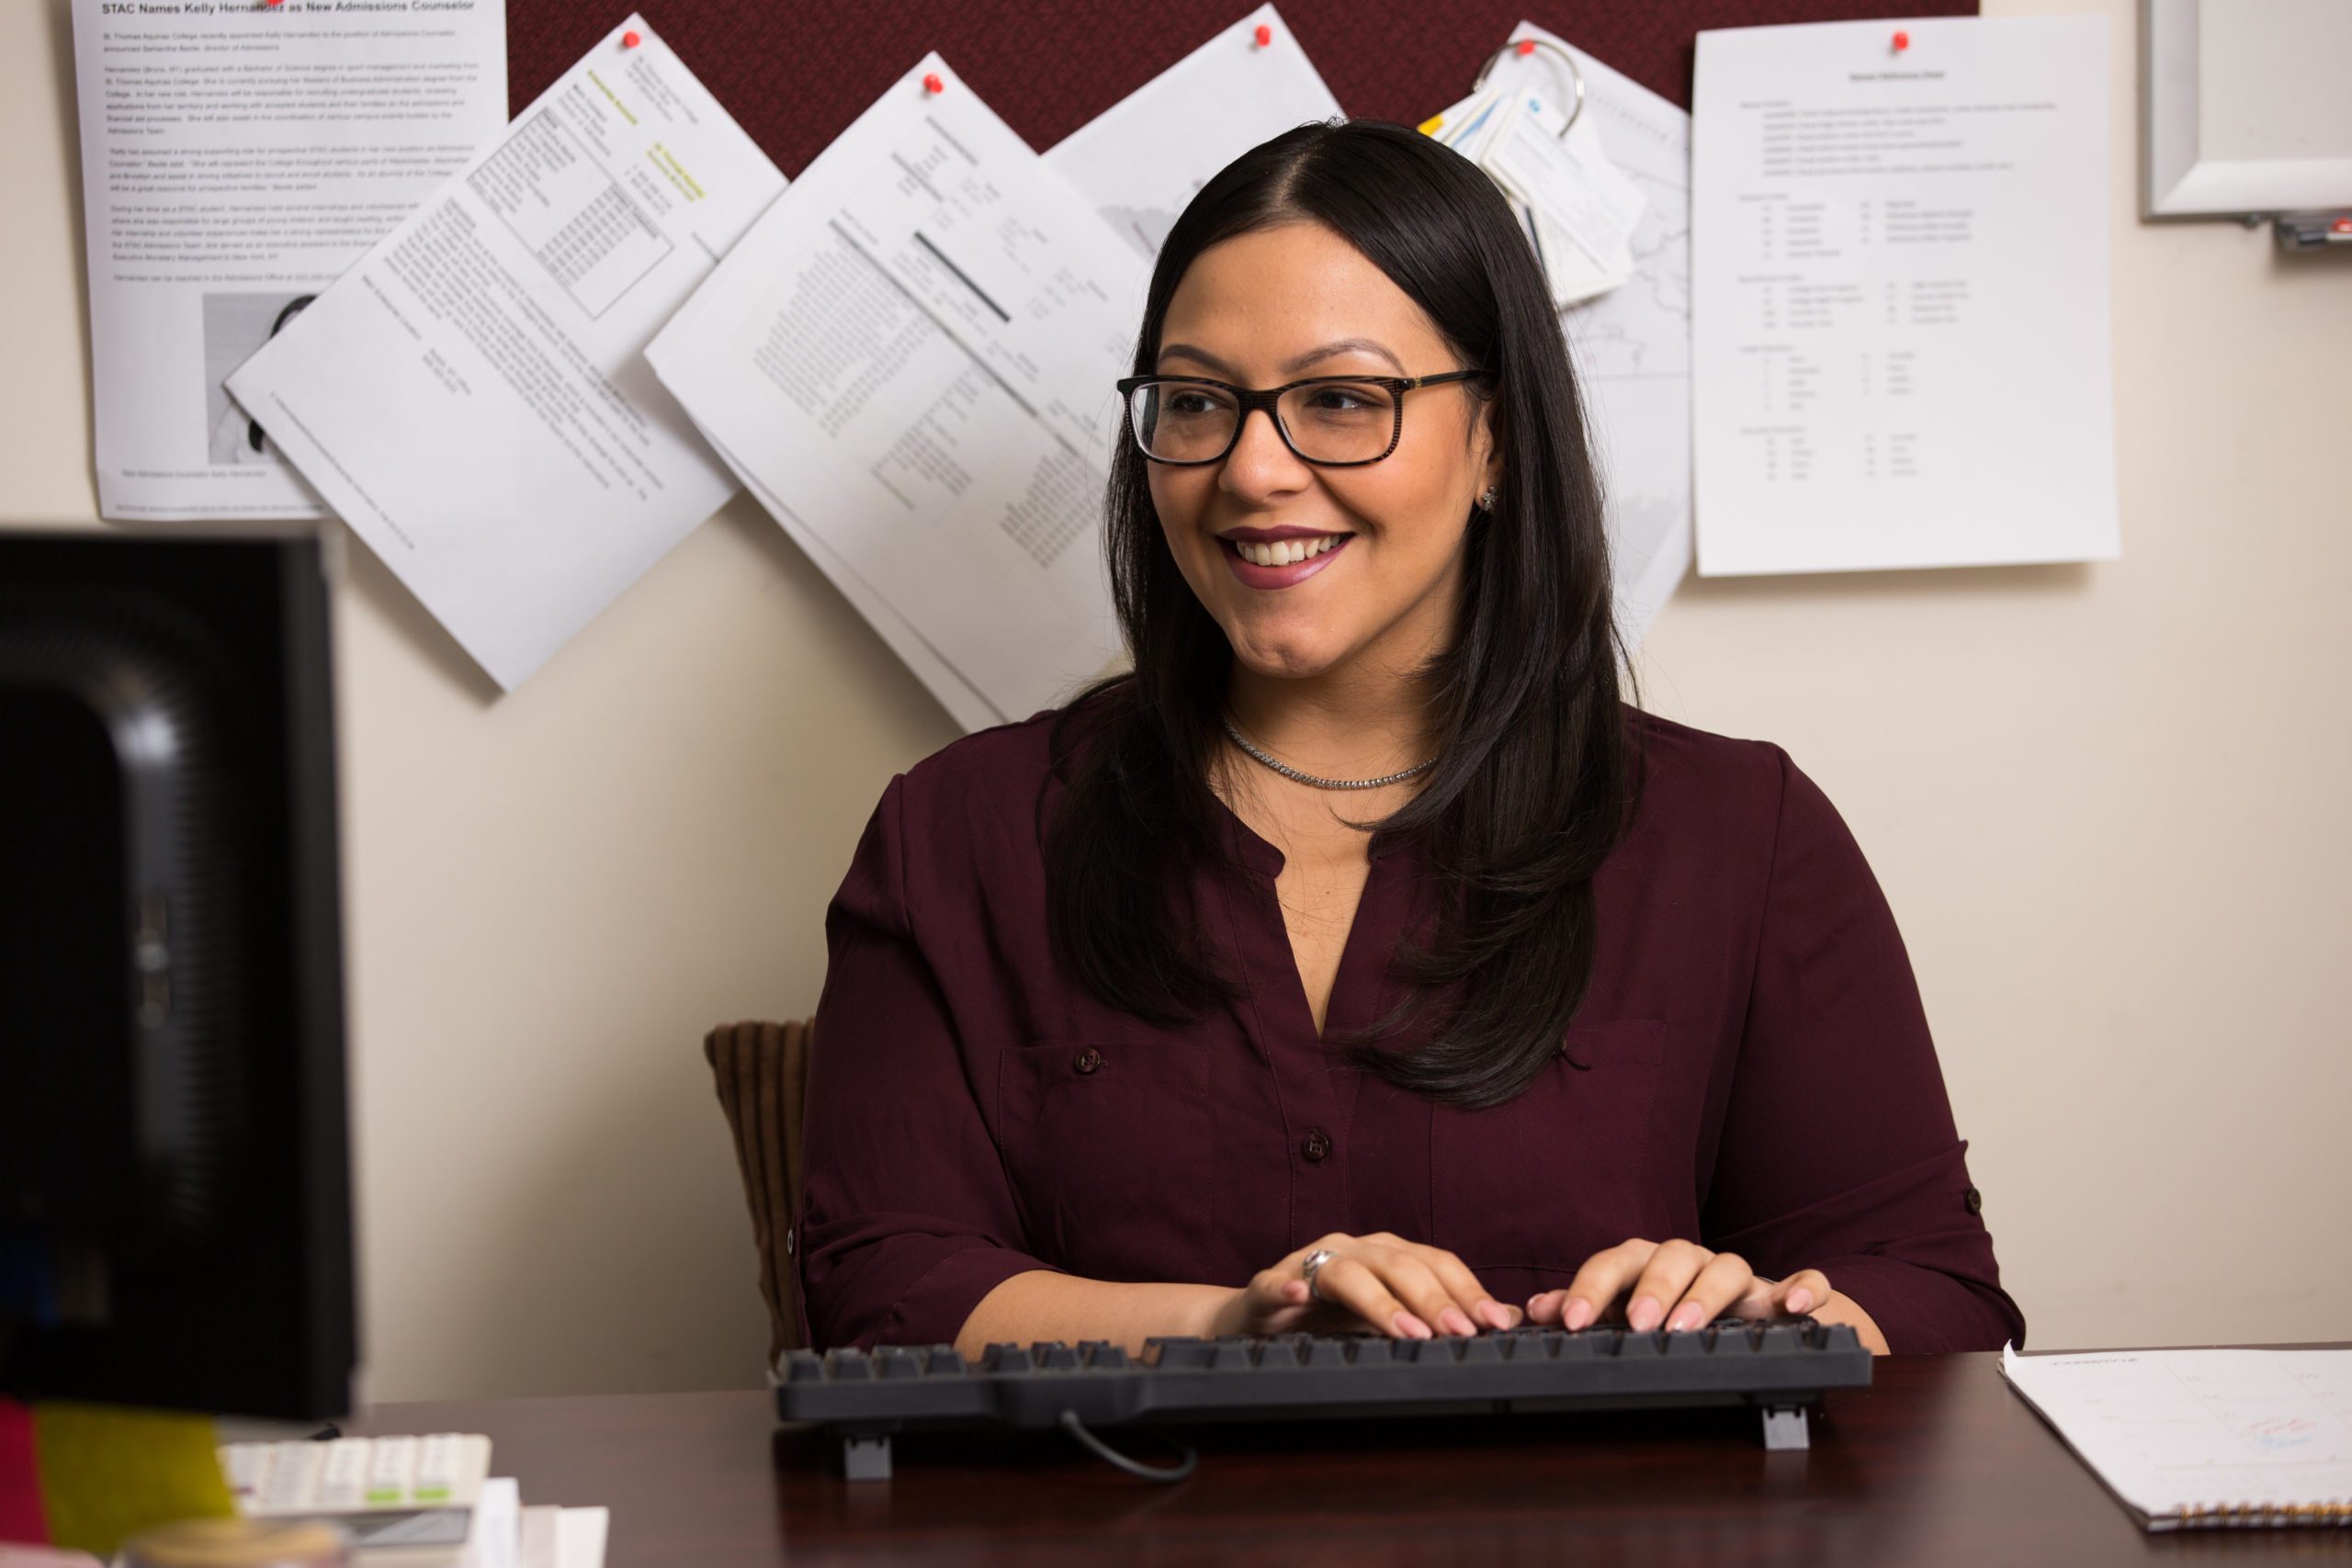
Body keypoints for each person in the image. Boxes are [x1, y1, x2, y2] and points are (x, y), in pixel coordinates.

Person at [791, 119, 2024, 1360]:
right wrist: (1237, 1323)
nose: (1253, 469)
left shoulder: (1741, 835)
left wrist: (1760, 1317)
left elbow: (1936, 1293)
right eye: (1199, 402)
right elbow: (878, 1289)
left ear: (1494, 439)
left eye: (1340, 401)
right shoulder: (959, 833)